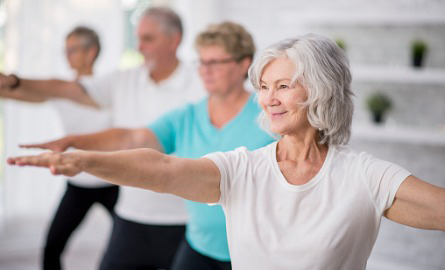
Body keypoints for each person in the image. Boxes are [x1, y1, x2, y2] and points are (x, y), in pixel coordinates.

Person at [8, 34, 445, 270]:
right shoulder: (242, 168)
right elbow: (159, 166)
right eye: (264, 88)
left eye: (284, 86)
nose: (268, 99)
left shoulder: (364, 176)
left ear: (322, 91)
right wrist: (85, 158)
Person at [17, 22, 274, 270]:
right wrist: (75, 143)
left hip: (253, 250)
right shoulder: (187, 116)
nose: (205, 70)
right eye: (201, 62)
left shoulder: (269, 117)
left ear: (244, 64)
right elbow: (134, 138)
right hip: (200, 247)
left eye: (215, 62)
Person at [2, 7, 205, 270]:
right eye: (138, 38)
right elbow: (63, 88)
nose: (139, 46)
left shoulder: (201, 82)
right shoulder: (123, 80)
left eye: (148, 39)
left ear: (174, 40)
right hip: (131, 214)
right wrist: (14, 82)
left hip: (183, 218)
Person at [0, 26, 118, 270]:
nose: (67, 56)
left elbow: (60, 88)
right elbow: (17, 93)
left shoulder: (108, 87)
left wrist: (13, 80)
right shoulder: (59, 91)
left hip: (112, 182)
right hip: (78, 184)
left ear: (91, 51)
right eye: (65, 50)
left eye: (72, 50)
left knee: (127, 246)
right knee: (52, 247)